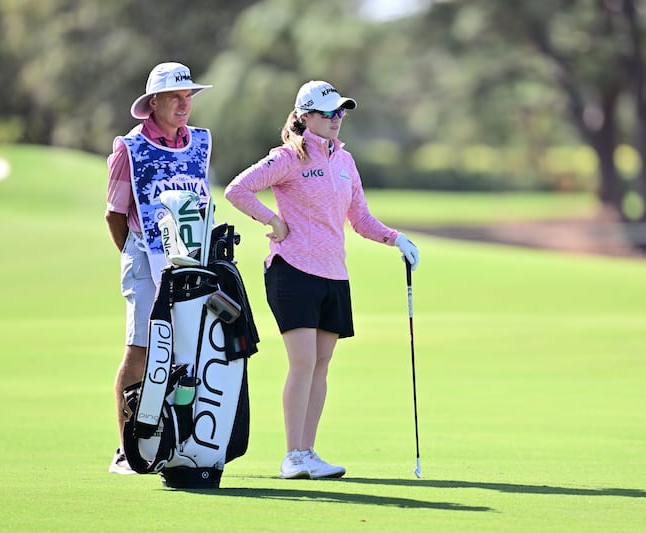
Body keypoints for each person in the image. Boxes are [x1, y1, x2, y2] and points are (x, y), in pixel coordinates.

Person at [224, 80, 419, 479]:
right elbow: (237, 189)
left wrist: (395, 238)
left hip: (334, 273)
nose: (336, 119)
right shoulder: (287, 157)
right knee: (303, 361)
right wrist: (273, 220)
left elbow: (360, 218)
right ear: (305, 116)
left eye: (341, 112)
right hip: (292, 270)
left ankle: (308, 452)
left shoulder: (345, 162)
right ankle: (291, 456)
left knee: (322, 364)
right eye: (328, 113)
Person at [105, 62, 213, 474]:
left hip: (188, 260)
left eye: (188, 96)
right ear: (154, 103)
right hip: (142, 254)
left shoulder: (199, 143)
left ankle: (175, 443)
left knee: (186, 351)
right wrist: (137, 253)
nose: (184, 104)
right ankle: (126, 450)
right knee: (142, 348)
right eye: (174, 97)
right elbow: (115, 214)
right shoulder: (129, 149)